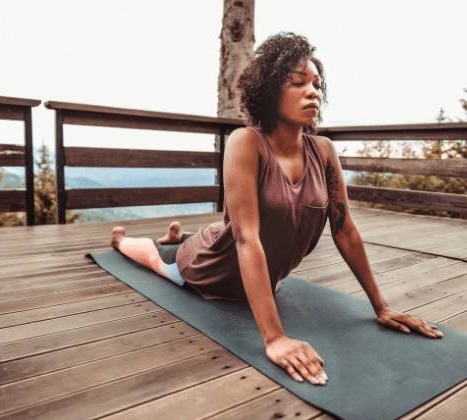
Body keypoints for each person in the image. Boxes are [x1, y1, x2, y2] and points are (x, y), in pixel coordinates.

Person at [110, 32, 442, 387]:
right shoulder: (246, 142)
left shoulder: (324, 151)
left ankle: (180, 235)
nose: (312, 91)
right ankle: (125, 241)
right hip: (211, 270)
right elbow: (245, 240)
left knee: (224, 231)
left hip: (263, 274)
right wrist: (274, 339)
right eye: (298, 83)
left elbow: (344, 230)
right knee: (164, 264)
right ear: (269, 90)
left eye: (316, 84)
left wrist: (381, 307)